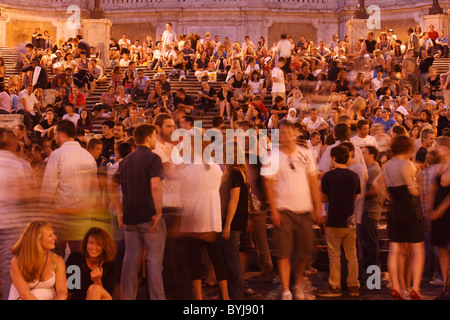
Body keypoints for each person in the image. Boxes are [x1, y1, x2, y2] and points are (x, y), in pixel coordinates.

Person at [262, 120, 322, 300]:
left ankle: (297, 283)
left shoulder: (305, 153)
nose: (286, 136)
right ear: (278, 135)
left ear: (294, 134)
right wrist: (273, 210)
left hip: (304, 209)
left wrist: (318, 205)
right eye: (282, 133)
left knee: (303, 253)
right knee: (283, 252)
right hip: (284, 210)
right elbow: (269, 184)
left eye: (288, 133)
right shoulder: (271, 156)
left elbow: (313, 180)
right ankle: (287, 289)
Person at [108, 124, 166, 300]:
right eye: (154, 136)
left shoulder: (125, 161)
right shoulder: (153, 159)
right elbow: (155, 186)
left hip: (129, 218)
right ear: (148, 138)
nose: (156, 139)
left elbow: (111, 187)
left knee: (130, 261)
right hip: (148, 216)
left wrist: (119, 211)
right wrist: (158, 212)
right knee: (154, 262)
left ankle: (128, 297)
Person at [178, 136, 230, 300]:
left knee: (194, 262)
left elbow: (182, 194)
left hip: (193, 221)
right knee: (218, 260)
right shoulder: (216, 168)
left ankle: (199, 297)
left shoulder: (187, 170)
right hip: (212, 220)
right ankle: (226, 296)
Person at [373, 135, 425, 300]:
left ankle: (396, 286)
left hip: (394, 208)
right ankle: (415, 288)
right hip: (408, 209)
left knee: (394, 250)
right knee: (417, 250)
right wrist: (419, 182)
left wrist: (388, 196)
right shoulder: (408, 165)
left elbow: (376, 183)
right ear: (408, 148)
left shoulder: (387, 166)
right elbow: (413, 191)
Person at [40, 120, 99, 254]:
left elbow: (49, 187)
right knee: (78, 255)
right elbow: (94, 188)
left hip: (61, 214)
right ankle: (75, 276)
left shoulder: (57, 155)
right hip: (83, 213)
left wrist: (43, 211)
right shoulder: (88, 156)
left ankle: (60, 275)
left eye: (55, 134)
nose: (55, 137)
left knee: (56, 253)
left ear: (61, 133)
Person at [316, 145, 361, 298]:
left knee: (334, 255)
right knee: (351, 255)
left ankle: (335, 286)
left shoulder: (328, 176)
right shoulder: (354, 176)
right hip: (350, 220)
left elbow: (323, 198)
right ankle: (353, 286)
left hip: (334, 219)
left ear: (333, 158)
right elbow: (356, 197)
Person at [8, 221, 67, 300]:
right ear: (37, 239)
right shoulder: (17, 262)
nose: (55, 237)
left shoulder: (58, 260)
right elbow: (25, 294)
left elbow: (62, 292)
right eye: (50, 235)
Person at [220, 142, 249, 300]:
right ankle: (230, 293)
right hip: (236, 219)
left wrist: (227, 225)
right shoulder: (239, 172)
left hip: (233, 220)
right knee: (231, 257)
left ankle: (236, 294)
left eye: (225, 153)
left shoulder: (235, 173)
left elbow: (234, 200)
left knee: (231, 258)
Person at [65, 227, 119, 300]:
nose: (94, 247)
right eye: (91, 243)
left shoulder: (110, 265)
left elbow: (107, 295)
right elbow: (70, 290)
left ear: (105, 247)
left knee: (96, 289)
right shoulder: (76, 259)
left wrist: (97, 281)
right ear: (86, 243)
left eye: (98, 244)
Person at [429, 136, 450, 300]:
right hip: (438, 213)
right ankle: (445, 286)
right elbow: (432, 189)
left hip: (447, 212)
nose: (438, 150)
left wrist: (441, 210)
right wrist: (430, 208)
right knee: (442, 249)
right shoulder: (438, 167)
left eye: (440, 147)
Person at [360, 146, 383, 272]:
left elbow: (374, 191)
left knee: (370, 244)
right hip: (367, 210)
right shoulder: (369, 168)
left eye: (364, 153)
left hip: (370, 211)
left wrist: (359, 195)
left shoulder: (373, 169)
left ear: (372, 155)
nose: (361, 155)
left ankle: (373, 277)